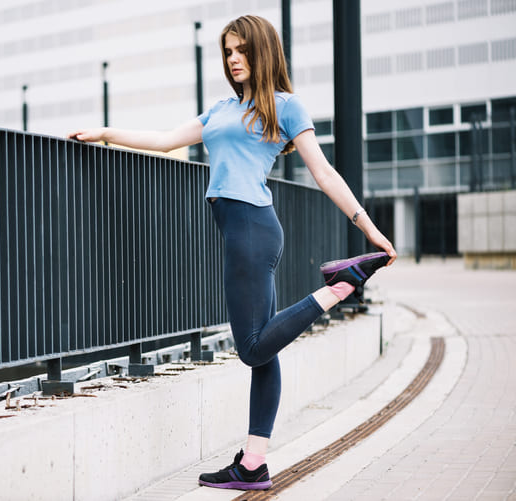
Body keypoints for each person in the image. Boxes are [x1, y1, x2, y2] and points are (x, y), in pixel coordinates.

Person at [69, 14, 397, 491]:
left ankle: (340, 288)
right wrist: (104, 133)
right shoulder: (222, 108)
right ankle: (253, 463)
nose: (233, 58)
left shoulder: (285, 107)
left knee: (250, 349)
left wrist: (367, 228)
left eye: (241, 49)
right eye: (227, 51)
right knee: (265, 355)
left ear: (261, 51)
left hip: (251, 227)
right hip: (241, 230)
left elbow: (324, 172)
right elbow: (164, 141)